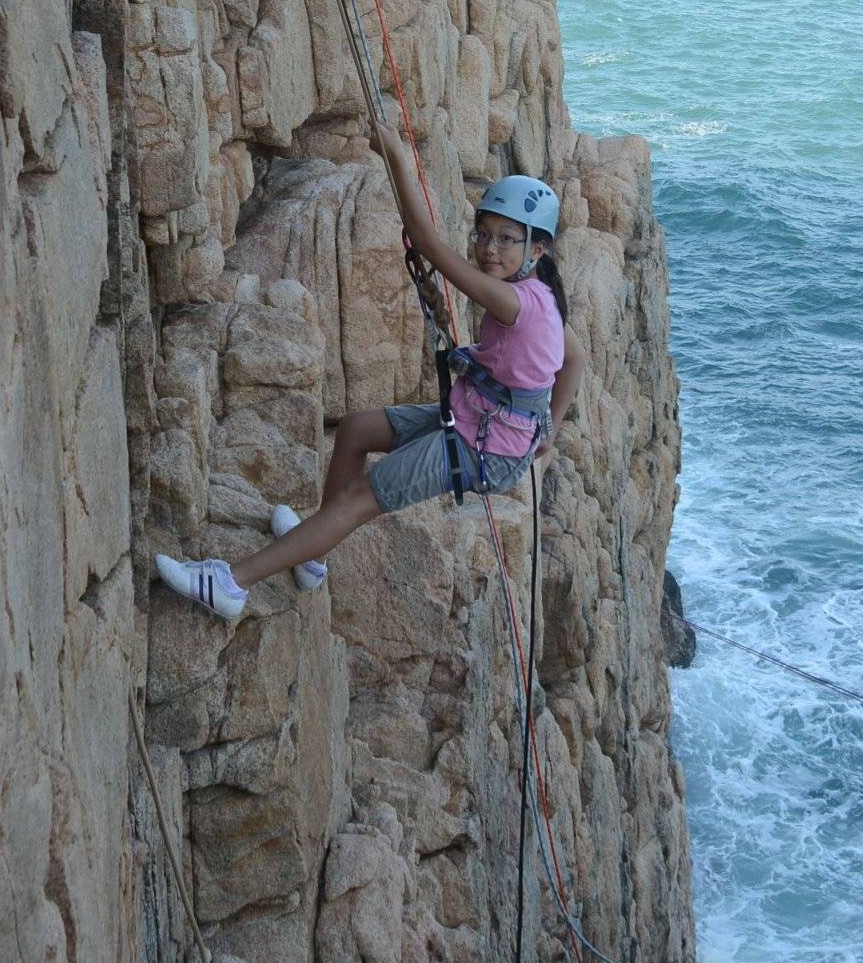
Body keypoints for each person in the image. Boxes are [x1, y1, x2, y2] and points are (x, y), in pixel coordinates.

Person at [154, 119, 585, 619]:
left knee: (359, 499)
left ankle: (232, 583)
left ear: (537, 248)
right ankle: (310, 553)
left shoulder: (515, 300)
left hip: (483, 444)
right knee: (356, 430)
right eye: (483, 235)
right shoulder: (542, 295)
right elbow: (573, 358)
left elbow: (428, 244)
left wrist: (397, 157)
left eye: (507, 240)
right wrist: (549, 425)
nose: (490, 249)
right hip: (480, 419)